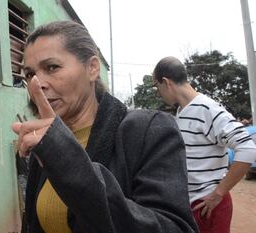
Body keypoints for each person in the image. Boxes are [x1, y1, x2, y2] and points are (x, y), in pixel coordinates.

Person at [11, 21, 198, 233]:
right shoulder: (46, 142)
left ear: (92, 68)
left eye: (52, 67)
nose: (37, 83)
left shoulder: (148, 131)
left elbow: (173, 228)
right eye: (29, 74)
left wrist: (65, 159)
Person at [152, 56, 256, 233]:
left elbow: (248, 149)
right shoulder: (182, 111)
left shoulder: (207, 109)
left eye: (156, 87)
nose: (158, 93)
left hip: (208, 207)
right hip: (192, 206)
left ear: (166, 82)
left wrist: (219, 193)